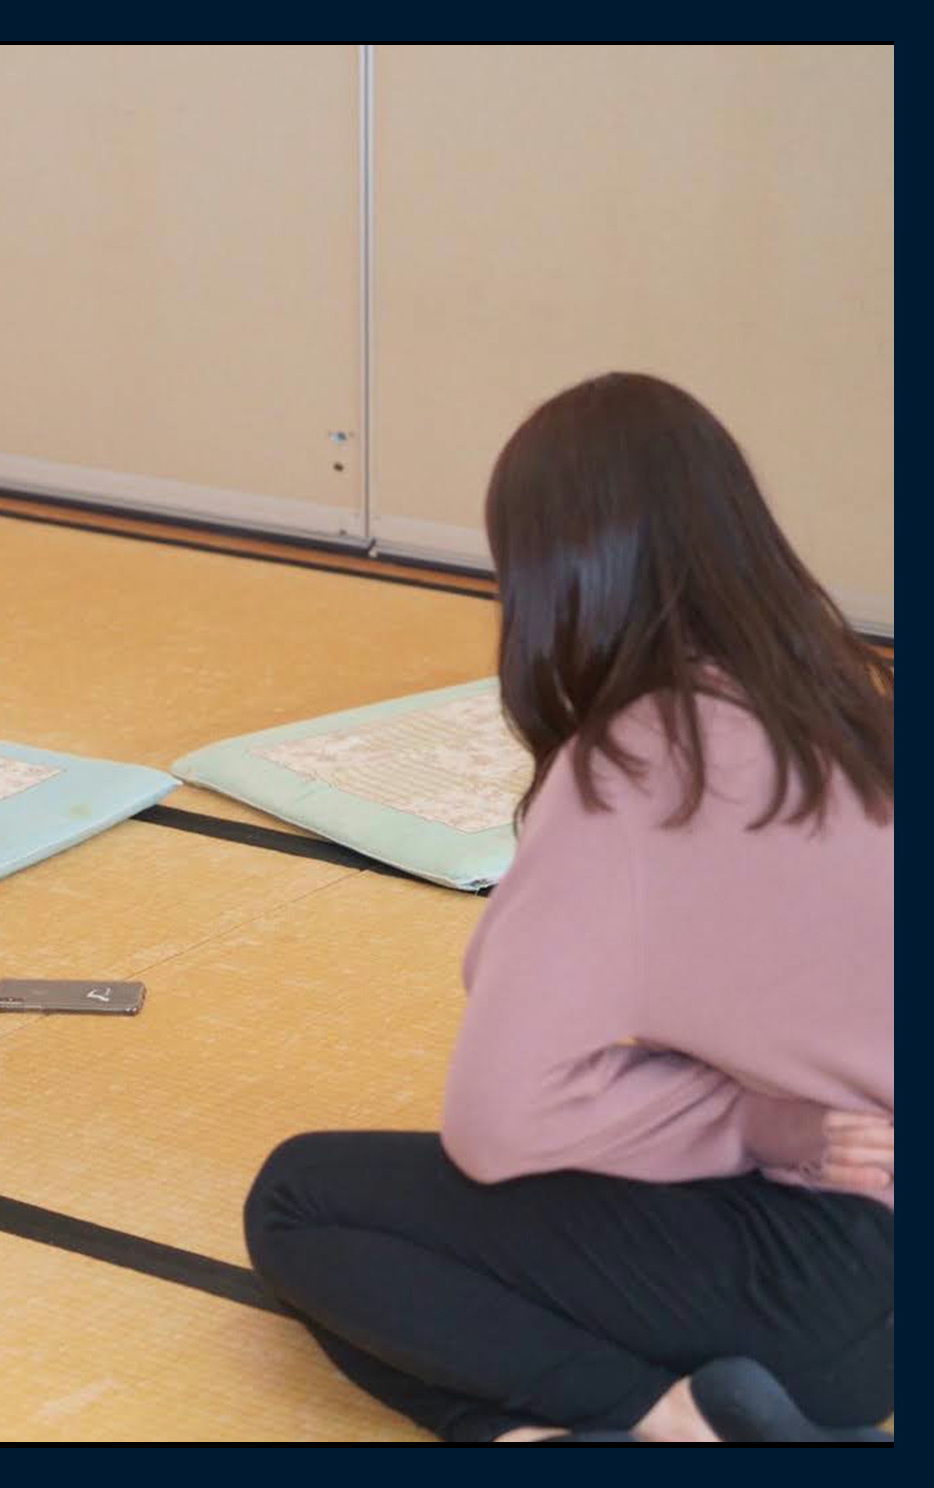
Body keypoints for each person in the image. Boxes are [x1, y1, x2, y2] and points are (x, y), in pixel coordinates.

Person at [244, 373, 894, 1443]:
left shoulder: (636, 769)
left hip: (819, 1287)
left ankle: (662, 1424)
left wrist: (747, 1121)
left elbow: (500, 1122)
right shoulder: (851, 705)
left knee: (303, 1201)